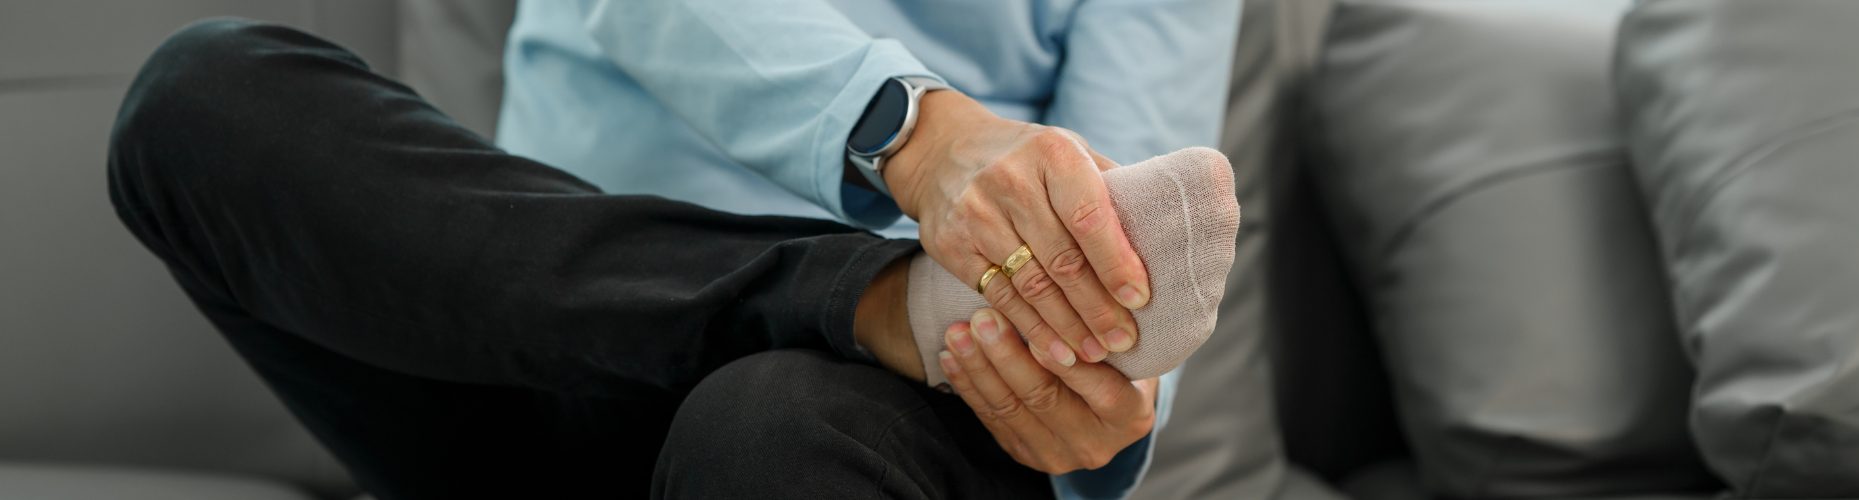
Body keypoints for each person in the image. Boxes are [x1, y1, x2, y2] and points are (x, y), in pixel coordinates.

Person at [109, 18, 1237, 500]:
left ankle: (871, 315)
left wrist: (1103, 382)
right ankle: (868, 294)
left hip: (877, 421)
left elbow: (1144, 246)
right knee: (198, 102)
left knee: (771, 418)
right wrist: (915, 134)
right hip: (545, 338)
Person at [496, 2, 1240, 497]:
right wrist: (920, 137)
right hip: (573, 307)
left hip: (888, 393)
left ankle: (915, 309)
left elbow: (1133, 182)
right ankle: (895, 300)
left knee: (770, 428)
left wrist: (1107, 356)